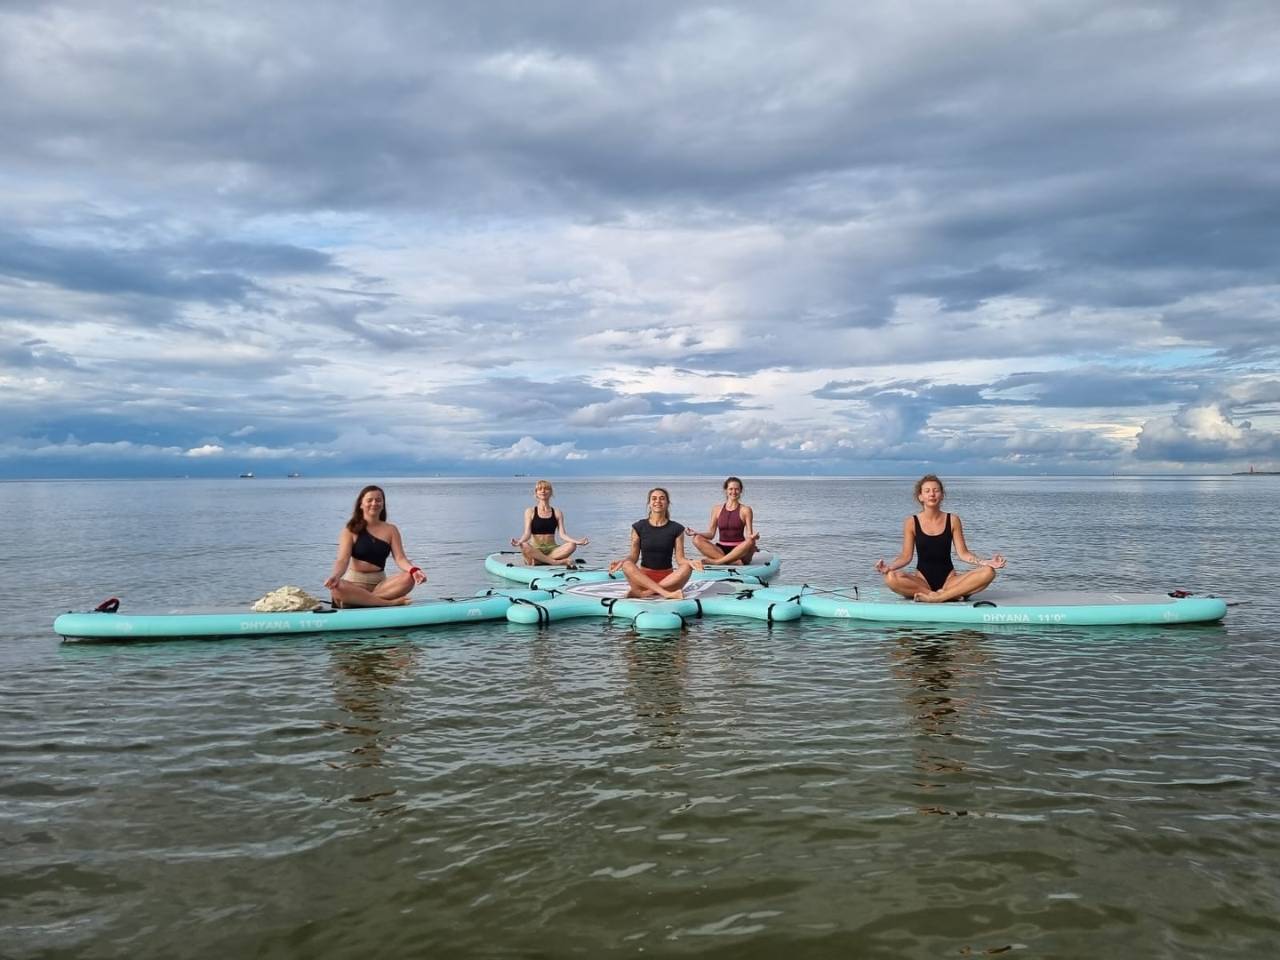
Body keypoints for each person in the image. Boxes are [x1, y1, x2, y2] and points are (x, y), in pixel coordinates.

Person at [875, 474, 1006, 602]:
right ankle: (941, 595)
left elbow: (963, 554)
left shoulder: (953, 520)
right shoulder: (911, 522)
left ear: (942, 495)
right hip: (922, 582)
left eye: (936, 490)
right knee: (890, 577)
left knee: (989, 572)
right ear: (920, 497)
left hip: (950, 580)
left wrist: (985, 562)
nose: (932, 494)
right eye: (927, 491)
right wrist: (889, 567)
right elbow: (906, 556)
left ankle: (940, 597)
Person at [323, 485, 427, 607]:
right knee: (337, 587)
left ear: (383, 504)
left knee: (409, 577)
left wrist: (414, 570)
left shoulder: (391, 530)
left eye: (378, 500)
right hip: (354, 584)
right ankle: (389, 603)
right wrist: (335, 576)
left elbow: (400, 558)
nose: (374, 503)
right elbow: (342, 560)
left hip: (381, 586)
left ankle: (360, 601)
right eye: (369, 500)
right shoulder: (350, 530)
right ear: (361, 504)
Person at [608, 487, 704, 599]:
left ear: (667, 503)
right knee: (627, 564)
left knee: (687, 566)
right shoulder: (639, 527)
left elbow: (680, 559)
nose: (658, 501)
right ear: (649, 503)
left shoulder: (677, 529)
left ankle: (644, 593)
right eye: (654, 498)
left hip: (669, 581)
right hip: (643, 581)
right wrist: (622, 561)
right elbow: (633, 557)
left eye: (662, 498)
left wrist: (691, 562)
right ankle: (665, 594)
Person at [509, 480, 589, 567]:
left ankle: (540, 561)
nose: (543, 491)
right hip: (535, 549)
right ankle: (554, 562)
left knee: (572, 545)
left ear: (551, 492)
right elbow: (527, 534)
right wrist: (519, 541)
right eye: (540, 489)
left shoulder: (557, 512)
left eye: (546, 489)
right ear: (536, 493)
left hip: (552, 550)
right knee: (524, 545)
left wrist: (577, 542)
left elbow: (562, 535)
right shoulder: (530, 511)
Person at [686, 475, 760, 565]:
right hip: (721, 550)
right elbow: (711, 534)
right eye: (731, 489)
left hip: (740, 551)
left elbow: (749, 535)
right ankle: (732, 562)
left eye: (737, 489)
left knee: (751, 541)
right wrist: (696, 533)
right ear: (726, 490)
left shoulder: (746, 510)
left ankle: (718, 561)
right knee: (696, 539)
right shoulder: (716, 509)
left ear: (741, 491)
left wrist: (754, 537)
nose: (734, 492)